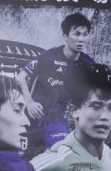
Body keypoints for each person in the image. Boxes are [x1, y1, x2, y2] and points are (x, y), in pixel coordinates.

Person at [16, 12, 95, 150]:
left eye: (85, 34)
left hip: (56, 120)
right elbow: (20, 77)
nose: (81, 39)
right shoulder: (49, 56)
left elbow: (93, 94)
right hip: (31, 116)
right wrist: (29, 102)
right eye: (76, 34)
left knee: (59, 154)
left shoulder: (88, 64)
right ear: (65, 36)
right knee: (19, 156)